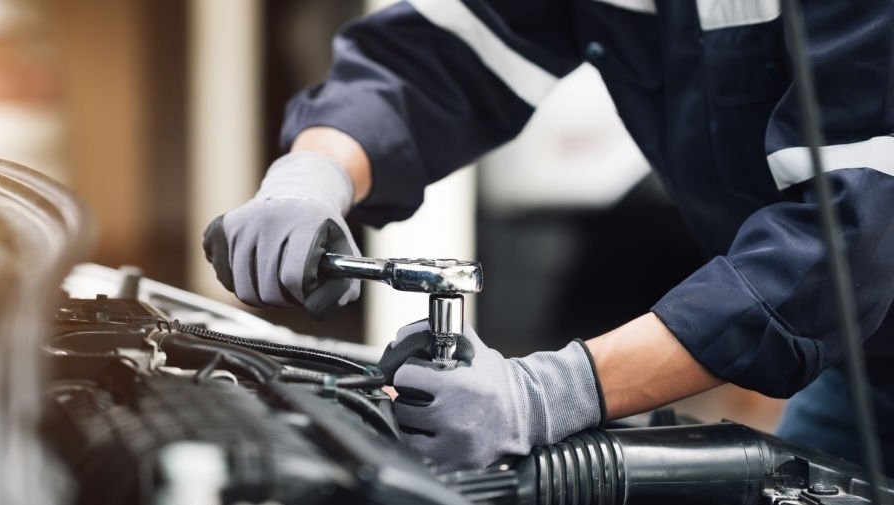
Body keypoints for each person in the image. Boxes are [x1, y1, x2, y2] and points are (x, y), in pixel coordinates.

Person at [204, 0, 894, 473]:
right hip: (860, 372)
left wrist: (550, 394)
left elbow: (849, 235)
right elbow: (435, 56)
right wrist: (313, 172)